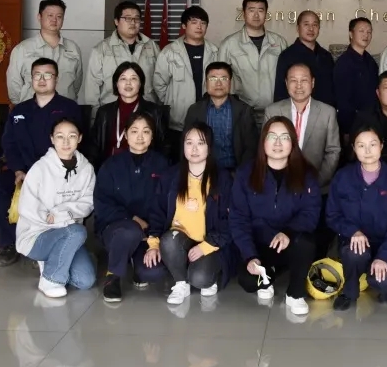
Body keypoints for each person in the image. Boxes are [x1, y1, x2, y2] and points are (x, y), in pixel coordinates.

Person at [0, 58, 82, 267]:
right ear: (31, 79)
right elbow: (9, 144)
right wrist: (18, 170)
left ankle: (45, 244)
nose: (42, 79)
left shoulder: (69, 108)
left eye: (48, 75)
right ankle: (10, 243)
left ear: (56, 79)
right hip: (22, 171)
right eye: (37, 75)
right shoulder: (19, 110)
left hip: (56, 173)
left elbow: (75, 145)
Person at [230, 117, 321, 316]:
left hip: (290, 242)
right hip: (259, 245)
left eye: (284, 137)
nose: (278, 143)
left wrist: (288, 232)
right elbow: (238, 219)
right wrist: (250, 256)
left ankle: (295, 294)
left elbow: (310, 213)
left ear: (293, 142)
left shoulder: (307, 174)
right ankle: (269, 272)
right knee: (248, 281)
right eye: (272, 137)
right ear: (263, 141)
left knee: (306, 243)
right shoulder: (246, 173)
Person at [145, 122, 236, 305]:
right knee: (168, 241)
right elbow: (157, 212)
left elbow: (231, 220)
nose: (194, 149)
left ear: (209, 147)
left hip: (210, 242)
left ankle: (202, 273)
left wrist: (206, 246)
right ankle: (181, 283)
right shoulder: (171, 176)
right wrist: (153, 244)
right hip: (180, 239)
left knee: (200, 279)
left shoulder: (222, 179)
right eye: (189, 143)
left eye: (200, 143)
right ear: (183, 146)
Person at [326, 127, 387, 310]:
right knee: (354, 253)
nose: (367, 151)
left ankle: (383, 283)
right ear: (353, 148)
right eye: (361, 145)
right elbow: (332, 215)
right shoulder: (343, 177)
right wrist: (353, 231)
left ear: (381, 146)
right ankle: (349, 291)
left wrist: (384, 256)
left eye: (372, 144)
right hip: (355, 242)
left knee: (382, 283)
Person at [15, 118, 98, 298]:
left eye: (72, 136)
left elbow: (88, 203)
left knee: (85, 281)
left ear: (80, 138)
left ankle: (55, 261)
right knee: (77, 231)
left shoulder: (87, 169)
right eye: (60, 136)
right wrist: (59, 221)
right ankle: (51, 279)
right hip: (38, 235)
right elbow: (27, 207)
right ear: (52, 139)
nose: (66, 142)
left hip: (69, 235)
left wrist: (60, 214)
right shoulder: (40, 168)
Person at [94, 112, 171, 302]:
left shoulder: (162, 165)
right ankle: (113, 277)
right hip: (117, 230)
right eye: (134, 131)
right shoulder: (111, 165)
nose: (140, 137)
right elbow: (103, 203)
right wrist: (133, 220)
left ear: (152, 136)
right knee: (129, 232)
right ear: (126, 135)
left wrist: (154, 232)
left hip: (150, 232)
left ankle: (137, 266)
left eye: (146, 131)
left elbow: (166, 203)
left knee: (153, 272)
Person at [263, 64, 341, 190]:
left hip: (317, 185)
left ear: (312, 82)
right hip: (279, 185)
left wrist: (316, 182)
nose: (298, 85)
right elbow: (265, 147)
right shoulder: (272, 111)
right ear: (286, 83)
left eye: (304, 80)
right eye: (293, 80)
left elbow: (333, 151)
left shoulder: (328, 113)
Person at [218, 0, 289, 126]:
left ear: (266, 14)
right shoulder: (229, 44)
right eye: (251, 10)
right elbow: (220, 80)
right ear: (244, 13)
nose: (256, 15)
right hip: (242, 113)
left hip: (275, 112)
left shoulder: (279, 42)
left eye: (260, 10)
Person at [85, 62, 168, 167]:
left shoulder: (154, 112)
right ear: (116, 84)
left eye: (133, 78)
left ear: (140, 84)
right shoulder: (104, 112)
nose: (128, 83)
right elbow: (94, 148)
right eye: (123, 79)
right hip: (110, 168)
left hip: (144, 169)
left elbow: (164, 148)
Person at [182, 61, 257, 173]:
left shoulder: (244, 110)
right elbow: (185, 144)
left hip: (234, 173)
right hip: (202, 171)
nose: (218, 83)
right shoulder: (195, 110)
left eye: (223, 78)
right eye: (213, 79)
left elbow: (251, 148)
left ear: (230, 82)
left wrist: (241, 174)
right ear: (206, 83)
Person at [153, 5, 218, 135]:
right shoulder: (169, 52)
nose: (199, 27)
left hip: (208, 119)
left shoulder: (214, 51)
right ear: (184, 25)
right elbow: (159, 84)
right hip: (177, 121)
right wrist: (172, 101)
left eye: (203, 23)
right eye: (194, 22)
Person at [6, 0, 84, 104]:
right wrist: (23, 106)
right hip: (32, 109)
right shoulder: (23, 49)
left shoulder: (73, 48)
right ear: (39, 17)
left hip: (65, 109)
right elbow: (14, 84)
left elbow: (76, 83)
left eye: (59, 16)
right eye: (50, 15)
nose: (54, 20)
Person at [82, 1, 159, 107]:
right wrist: (96, 115)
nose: (133, 22)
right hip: (112, 111)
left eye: (136, 18)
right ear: (116, 21)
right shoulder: (101, 50)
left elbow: (161, 81)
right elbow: (92, 88)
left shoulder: (152, 47)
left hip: (146, 111)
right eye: (128, 18)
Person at [273, 10, 336, 107]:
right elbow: (280, 92)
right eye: (306, 24)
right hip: (296, 112)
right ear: (298, 28)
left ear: (319, 28)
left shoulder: (326, 56)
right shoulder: (287, 56)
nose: (311, 29)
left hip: (325, 112)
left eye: (315, 25)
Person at [333, 17, 380, 136]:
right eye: (361, 31)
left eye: (369, 32)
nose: (366, 35)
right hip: (353, 126)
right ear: (351, 34)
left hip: (371, 122)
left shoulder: (370, 61)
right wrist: (347, 130)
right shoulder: (344, 63)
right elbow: (343, 101)